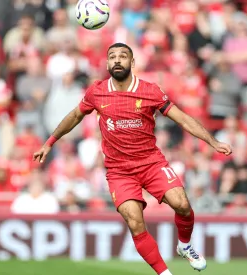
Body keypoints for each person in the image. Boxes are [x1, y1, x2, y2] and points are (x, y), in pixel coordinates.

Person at [34, 43, 232, 275]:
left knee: (182, 204)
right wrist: (50, 142)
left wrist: (213, 142)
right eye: (112, 57)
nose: (117, 60)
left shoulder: (150, 91)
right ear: (107, 64)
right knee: (135, 221)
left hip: (151, 162)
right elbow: (76, 115)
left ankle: (185, 246)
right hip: (119, 171)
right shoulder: (97, 92)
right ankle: (165, 274)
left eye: (123, 56)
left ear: (132, 63)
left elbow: (183, 119)